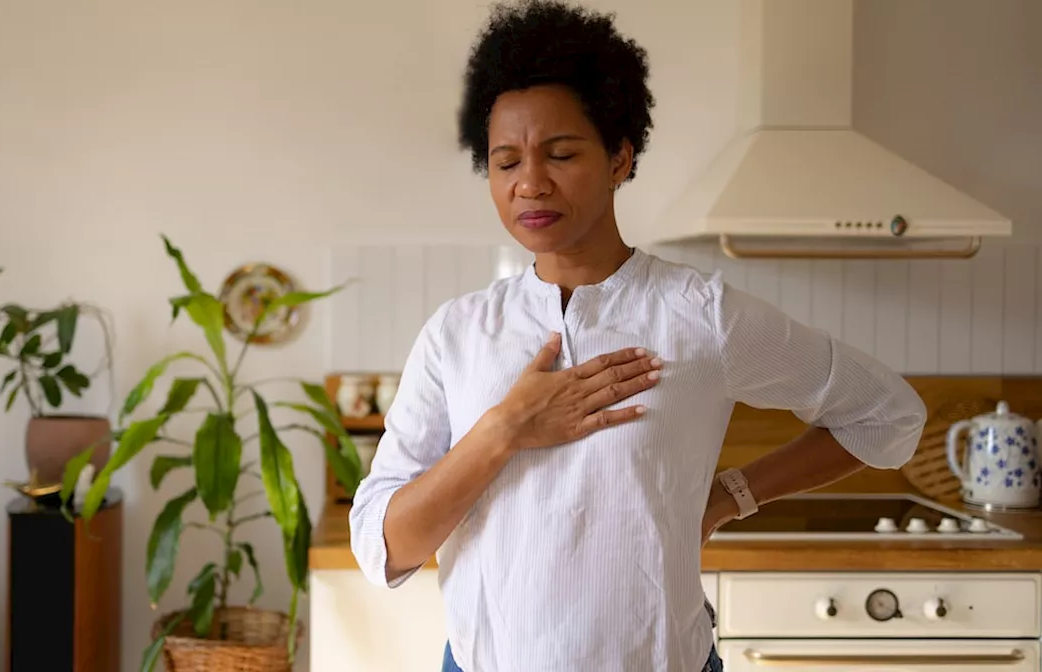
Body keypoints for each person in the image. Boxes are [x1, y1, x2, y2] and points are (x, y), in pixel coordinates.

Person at [348, 1, 927, 670]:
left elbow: (888, 415)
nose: (530, 182)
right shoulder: (456, 333)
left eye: (560, 153)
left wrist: (733, 495)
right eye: (505, 163)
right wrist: (504, 427)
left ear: (621, 157)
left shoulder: (699, 315)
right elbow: (382, 546)